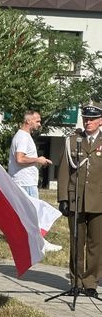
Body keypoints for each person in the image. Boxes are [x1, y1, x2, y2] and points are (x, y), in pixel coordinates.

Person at [0, 110, 62, 252]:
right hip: (25, 182)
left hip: (22, 180)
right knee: (34, 212)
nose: (39, 124)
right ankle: (40, 243)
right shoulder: (22, 137)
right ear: (28, 121)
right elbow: (20, 159)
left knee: (10, 209)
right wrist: (38, 159)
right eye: (37, 121)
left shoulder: (23, 136)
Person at [57, 102, 102, 297]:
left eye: (92, 119)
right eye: (85, 118)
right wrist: (63, 198)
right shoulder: (73, 140)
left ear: (100, 120)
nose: (88, 122)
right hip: (76, 199)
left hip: (99, 201)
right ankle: (76, 281)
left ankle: (90, 281)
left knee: (96, 244)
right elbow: (65, 170)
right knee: (76, 242)